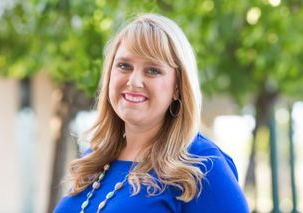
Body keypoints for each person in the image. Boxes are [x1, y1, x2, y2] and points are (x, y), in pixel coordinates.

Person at [54, 13, 249, 213]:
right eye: (124, 66)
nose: (133, 81)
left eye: (153, 70)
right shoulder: (96, 158)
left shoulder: (203, 166)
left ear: (177, 87)